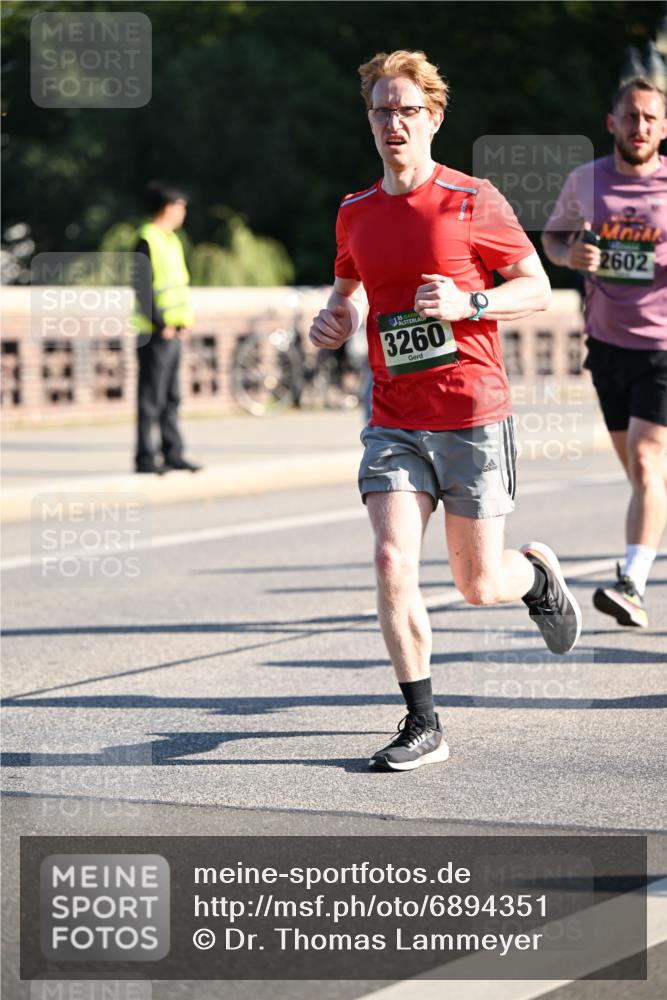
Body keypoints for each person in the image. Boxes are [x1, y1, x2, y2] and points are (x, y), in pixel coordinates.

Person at [309, 50, 582, 773]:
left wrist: (471, 302)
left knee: (477, 584)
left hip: (470, 413)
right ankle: (421, 720)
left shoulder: (471, 201)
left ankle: (536, 580)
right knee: (391, 558)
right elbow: (345, 292)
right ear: (367, 120)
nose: (392, 123)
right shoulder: (354, 213)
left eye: (406, 110)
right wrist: (333, 318)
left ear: (431, 118)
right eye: (380, 110)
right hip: (393, 416)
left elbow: (539, 288)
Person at [542, 77, 667, 628]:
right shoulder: (585, 181)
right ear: (611, 122)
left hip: (662, 346)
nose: (639, 127)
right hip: (607, 347)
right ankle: (647, 544)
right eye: (631, 116)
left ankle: (631, 585)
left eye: (650, 118)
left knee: (645, 461)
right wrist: (573, 257)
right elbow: (552, 238)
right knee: (643, 476)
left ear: (664, 128)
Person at [132, 181, 201, 474]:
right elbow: (142, 288)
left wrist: (182, 322)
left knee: (172, 396)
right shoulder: (146, 239)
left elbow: (176, 286)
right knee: (151, 398)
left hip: (175, 330)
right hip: (156, 333)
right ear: (167, 208)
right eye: (180, 206)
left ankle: (173, 452)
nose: (183, 212)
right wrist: (161, 323)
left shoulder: (172, 240)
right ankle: (145, 458)